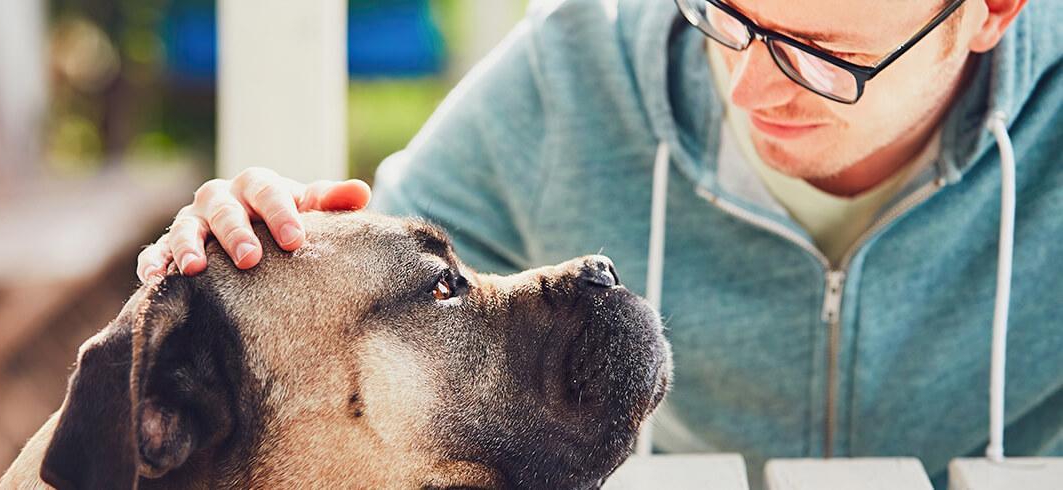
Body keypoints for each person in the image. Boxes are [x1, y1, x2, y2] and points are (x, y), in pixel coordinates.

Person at [136, 0, 1059, 487]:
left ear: (993, 10)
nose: (741, 90)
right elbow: (378, 307)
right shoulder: (571, 73)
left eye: (820, 55)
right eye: (727, 15)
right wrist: (255, 262)